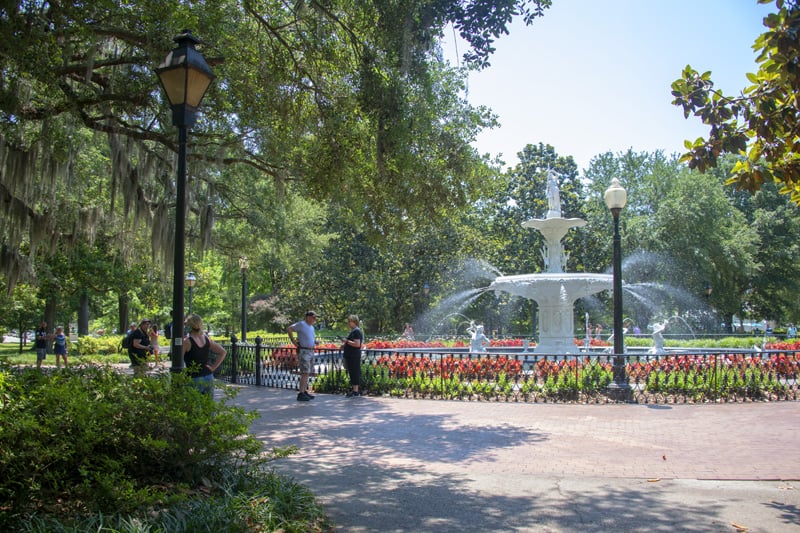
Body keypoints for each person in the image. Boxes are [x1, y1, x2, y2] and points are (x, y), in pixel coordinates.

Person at [182, 314, 227, 396]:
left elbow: (178, 360)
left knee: (194, 407)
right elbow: (223, 352)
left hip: (194, 378)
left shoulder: (187, 342)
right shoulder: (206, 339)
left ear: (188, 325)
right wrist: (213, 368)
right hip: (208, 376)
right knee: (208, 406)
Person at [287, 310, 318, 402]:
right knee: (305, 372)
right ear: (308, 317)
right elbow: (289, 329)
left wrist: (314, 342)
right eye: (313, 317)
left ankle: (304, 391)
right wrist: (293, 341)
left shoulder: (311, 327)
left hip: (310, 351)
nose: (314, 319)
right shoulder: (301, 324)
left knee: (307, 372)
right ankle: (300, 393)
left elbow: (309, 337)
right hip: (304, 351)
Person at [341, 314, 364, 397]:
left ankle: (355, 391)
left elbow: (357, 344)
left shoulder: (356, 331)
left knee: (354, 372)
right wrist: (344, 345)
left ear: (354, 322)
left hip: (354, 356)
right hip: (351, 355)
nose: (348, 323)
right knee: (352, 372)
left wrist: (346, 341)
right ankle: (354, 390)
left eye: (350, 321)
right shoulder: (353, 331)